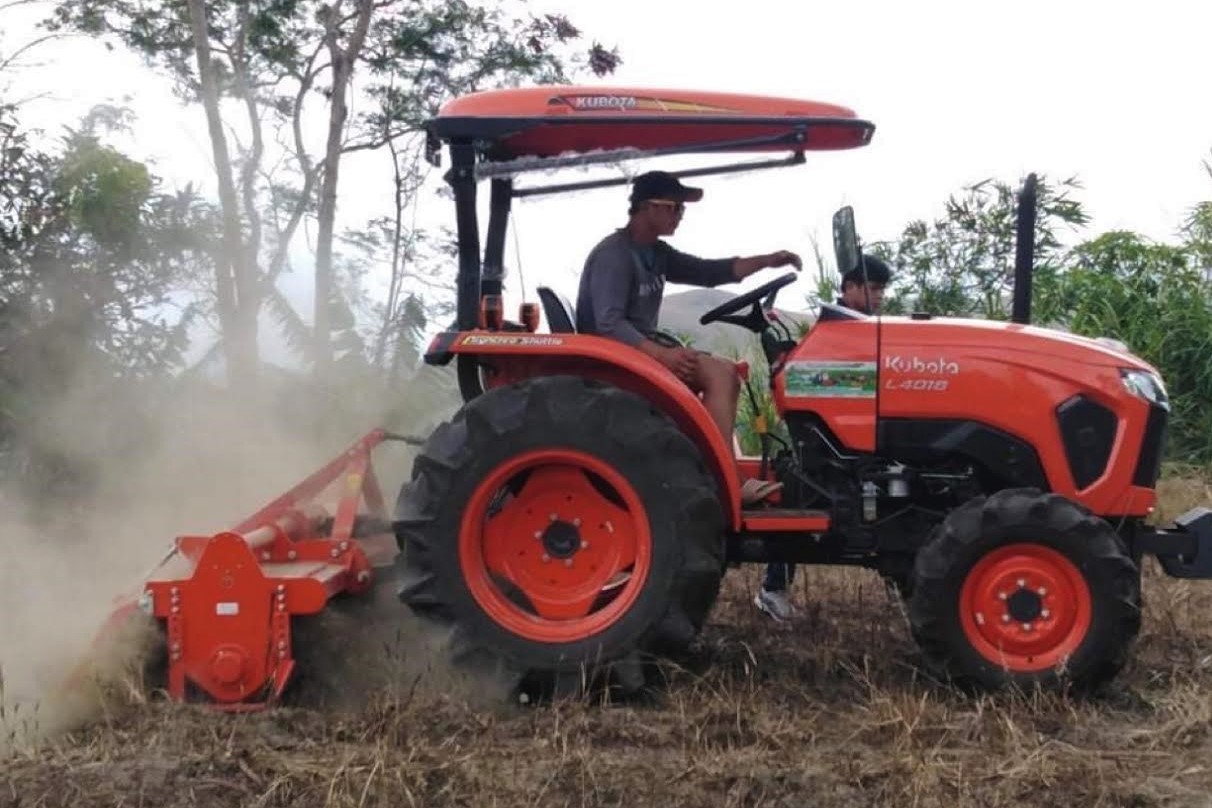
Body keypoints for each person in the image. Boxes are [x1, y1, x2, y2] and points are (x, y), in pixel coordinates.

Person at [575, 170, 802, 505]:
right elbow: (608, 324)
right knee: (721, 375)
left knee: (726, 370)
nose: (680, 216)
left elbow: (710, 271)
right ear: (648, 208)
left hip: (640, 353)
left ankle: (717, 469)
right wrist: (662, 355)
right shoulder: (615, 255)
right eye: (674, 208)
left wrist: (767, 261)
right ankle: (722, 480)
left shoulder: (657, 254)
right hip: (618, 359)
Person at [754, 253, 893, 622]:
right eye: (872, 288)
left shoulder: (860, 327)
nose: (878, 296)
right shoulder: (838, 329)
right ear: (848, 288)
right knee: (802, 487)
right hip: (825, 435)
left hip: (842, 430)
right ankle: (772, 588)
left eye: (882, 289)